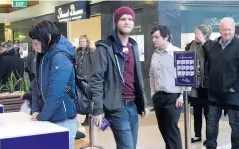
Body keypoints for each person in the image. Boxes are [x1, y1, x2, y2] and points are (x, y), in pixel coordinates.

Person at [90, 7, 148, 149]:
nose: (127, 22)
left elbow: (137, 77)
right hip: (116, 107)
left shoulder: (134, 45)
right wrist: (98, 109)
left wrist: (143, 102)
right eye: (123, 19)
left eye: (130, 19)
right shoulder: (105, 48)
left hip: (133, 106)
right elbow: (97, 79)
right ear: (116, 22)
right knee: (127, 146)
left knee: (131, 146)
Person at [206, 17, 239, 149]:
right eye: (224, 29)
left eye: (229, 29)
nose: (226, 32)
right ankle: (210, 146)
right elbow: (210, 66)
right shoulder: (214, 46)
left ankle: (237, 146)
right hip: (214, 92)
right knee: (211, 121)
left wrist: (235, 87)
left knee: (235, 122)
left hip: (232, 93)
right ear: (219, 30)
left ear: (234, 29)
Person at [29, 20, 77, 149]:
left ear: (48, 38)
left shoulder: (60, 56)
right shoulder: (45, 54)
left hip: (63, 120)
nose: (34, 47)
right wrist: (35, 110)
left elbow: (56, 93)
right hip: (49, 117)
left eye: (36, 43)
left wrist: (41, 116)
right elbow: (36, 84)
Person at [149, 25, 184, 149]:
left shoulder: (177, 53)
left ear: (166, 37)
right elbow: (151, 75)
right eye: (153, 37)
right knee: (163, 129)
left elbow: (186, 75)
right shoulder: (155, 54)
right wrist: (153, 93)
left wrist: (182, 96)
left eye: (156, 37)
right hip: (159, 97)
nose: (153, 40)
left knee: (171, 130)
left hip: (173, 97)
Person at [184, 24, 213, 143]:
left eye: (198, 33)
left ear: (205, 34)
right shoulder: (189, 45)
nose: (195, 35)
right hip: (193, 84)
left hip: (206, 84)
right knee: (196, 111)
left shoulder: (210, 45)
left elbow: (212, 58)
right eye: (195, 33)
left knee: (208, 113)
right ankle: (197, 134)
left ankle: (209, 137)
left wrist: (203, 42)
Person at [76, 35, 95, 126]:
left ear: (87, 42)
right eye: (80, 42)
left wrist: (91, 77)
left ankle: (90, 119)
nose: (82, 43)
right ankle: (88, 118)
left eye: (83, 41)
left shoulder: (91, 52)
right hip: (81, 79)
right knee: (85, 100)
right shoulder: (79, 53)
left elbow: (94, 66)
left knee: (89, 100)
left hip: (88, 80)